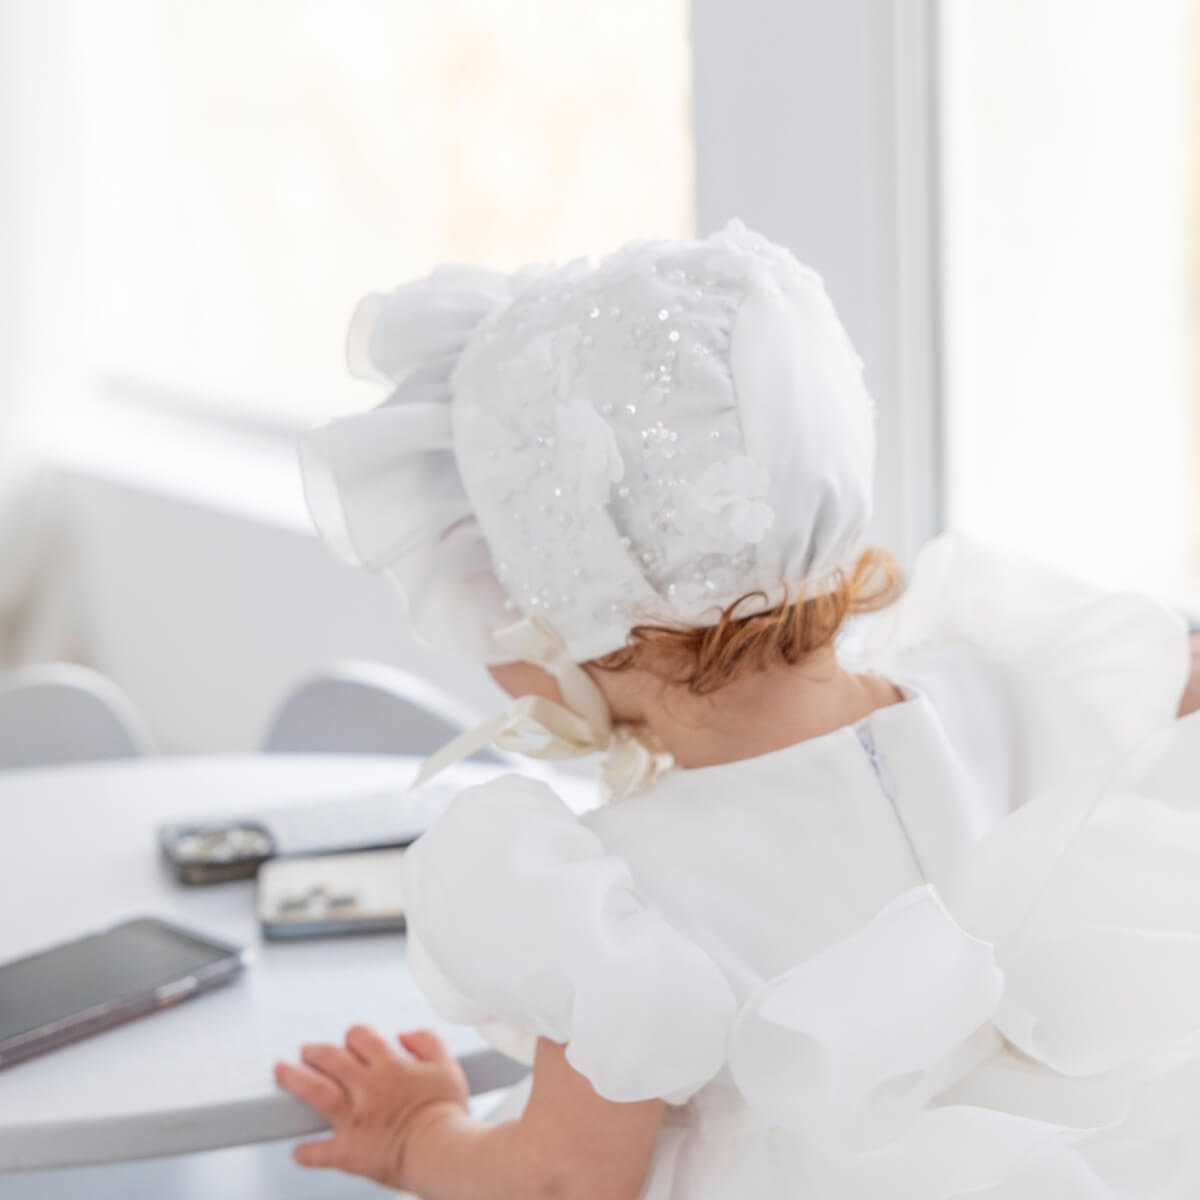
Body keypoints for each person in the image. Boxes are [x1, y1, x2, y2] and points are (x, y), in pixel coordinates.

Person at [274, 221, 1200, 1199]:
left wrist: (418, 1134)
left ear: (578, 627)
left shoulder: (619, 899)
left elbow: (564, 1184)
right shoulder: (1022, 684)